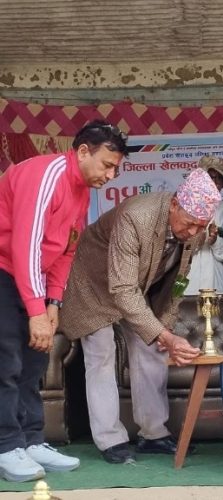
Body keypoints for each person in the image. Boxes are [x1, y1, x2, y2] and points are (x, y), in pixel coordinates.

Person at [59, 168, 221, 464]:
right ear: (174, 204)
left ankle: (154, 434)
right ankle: (110, 440)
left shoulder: (194, 231)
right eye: (189, 224)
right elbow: (121, 289)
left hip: (133, 285)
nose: (193, 233)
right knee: (101, 353)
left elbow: (177, 282)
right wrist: (166, 336)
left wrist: (164, 330)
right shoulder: (136, 216)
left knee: (152, 348)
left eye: (201, 226)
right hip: (94, 282)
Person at [0, 121, 127, 482]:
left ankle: (30, 440)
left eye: (115, 169)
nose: (110, 175)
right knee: (6, 362)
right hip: (4, 271)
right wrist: (35, 310)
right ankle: (6, 446)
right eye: (106, 165)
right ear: (83, 151)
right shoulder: (46, 176)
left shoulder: (81, 190)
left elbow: (67, 251)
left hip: (32, 278)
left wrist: (53, 302)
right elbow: (25, 246)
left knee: (34, 362)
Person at [185, 155, 223, 295]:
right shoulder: (182, 210)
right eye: (208, 178)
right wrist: (194, 239)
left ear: (222, 184)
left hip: (221, 287)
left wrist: (215, 242)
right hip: (189, 288)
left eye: (217, 178)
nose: (212, 183)